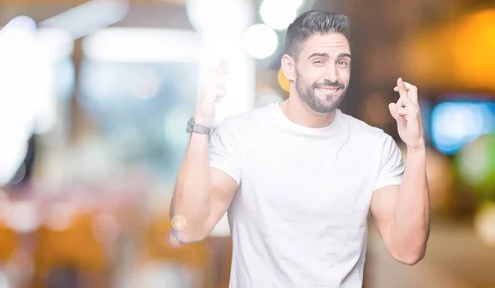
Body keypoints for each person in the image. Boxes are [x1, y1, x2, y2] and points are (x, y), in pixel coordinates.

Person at [170, 10, 430, 288]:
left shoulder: (374, 146)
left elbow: (408, 249)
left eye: (342, 62)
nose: (333, 75)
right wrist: (201, 122)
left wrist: (415, 147)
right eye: (319, 61)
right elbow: (190, 227)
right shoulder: (241, 135)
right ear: (289, 67)